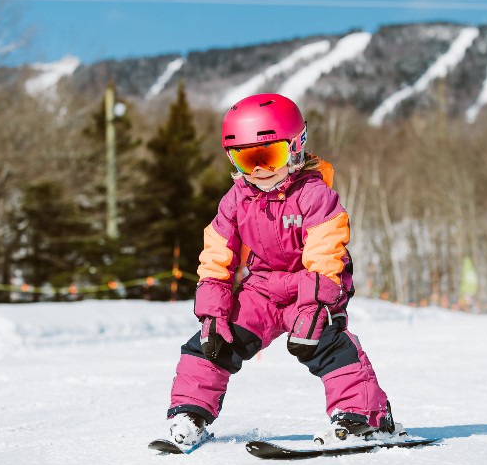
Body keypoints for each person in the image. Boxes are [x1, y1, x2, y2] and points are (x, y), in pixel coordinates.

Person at [166, 93, 396, 446]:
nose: (260, 171)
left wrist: (316, 304)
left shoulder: (314, 195)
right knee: (215, 341)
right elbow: (216, 253)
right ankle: (190, 412)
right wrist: (213, 308)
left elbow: (326, 249)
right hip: (262, 290)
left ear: (295, 148)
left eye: (269, 156)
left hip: (310, 288)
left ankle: (365, 417)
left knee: (324, 341)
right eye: (247, 160)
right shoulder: (237, 199)